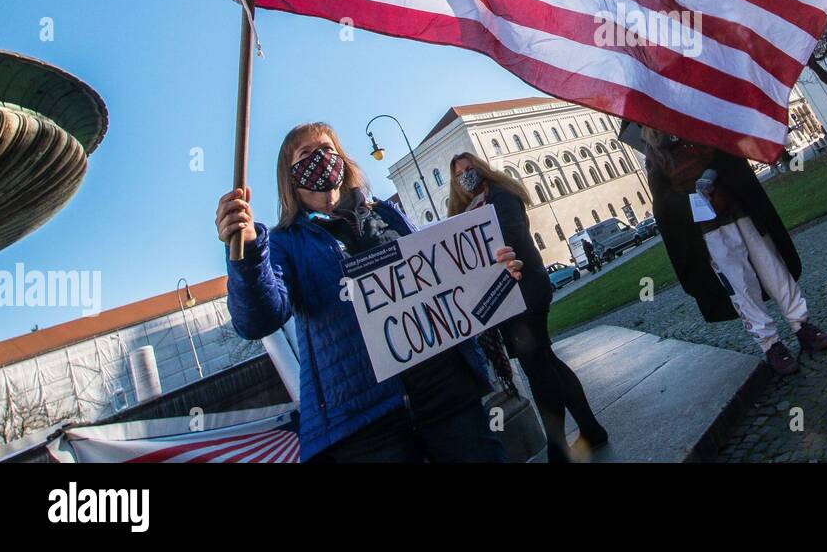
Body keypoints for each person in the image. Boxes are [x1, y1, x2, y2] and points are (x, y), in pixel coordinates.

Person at [216, 123, 522, 463]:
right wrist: (247, 252)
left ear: (342, 159)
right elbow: (258, 318)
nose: (320, 158)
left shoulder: (387, 214)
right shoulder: (285, 243)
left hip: (446, 390)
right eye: (306, 154)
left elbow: (442, 277)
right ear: (289, 177)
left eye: (326, 149)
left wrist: (491, 272)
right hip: (366, 421)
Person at [448, 152, 607, 463]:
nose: (465, 176)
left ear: (480, 169)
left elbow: (511, 237)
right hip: (505, 298)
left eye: (469, 169)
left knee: (537, 368)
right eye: (458, 174)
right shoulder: (468, 210)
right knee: (545, 362)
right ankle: (591, 429)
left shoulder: (502, 196)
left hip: (525, 289)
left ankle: (558, 447)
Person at [638, 126, 827, 375]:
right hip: (709, 229)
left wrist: (712, 174)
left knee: (773, 267)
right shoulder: (656, 155)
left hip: (740, 210)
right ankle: (770, 344)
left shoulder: (703, 122)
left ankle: (802, 324)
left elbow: (730, 155)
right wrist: (692, 196)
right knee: (741, 284)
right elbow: (663, 202)